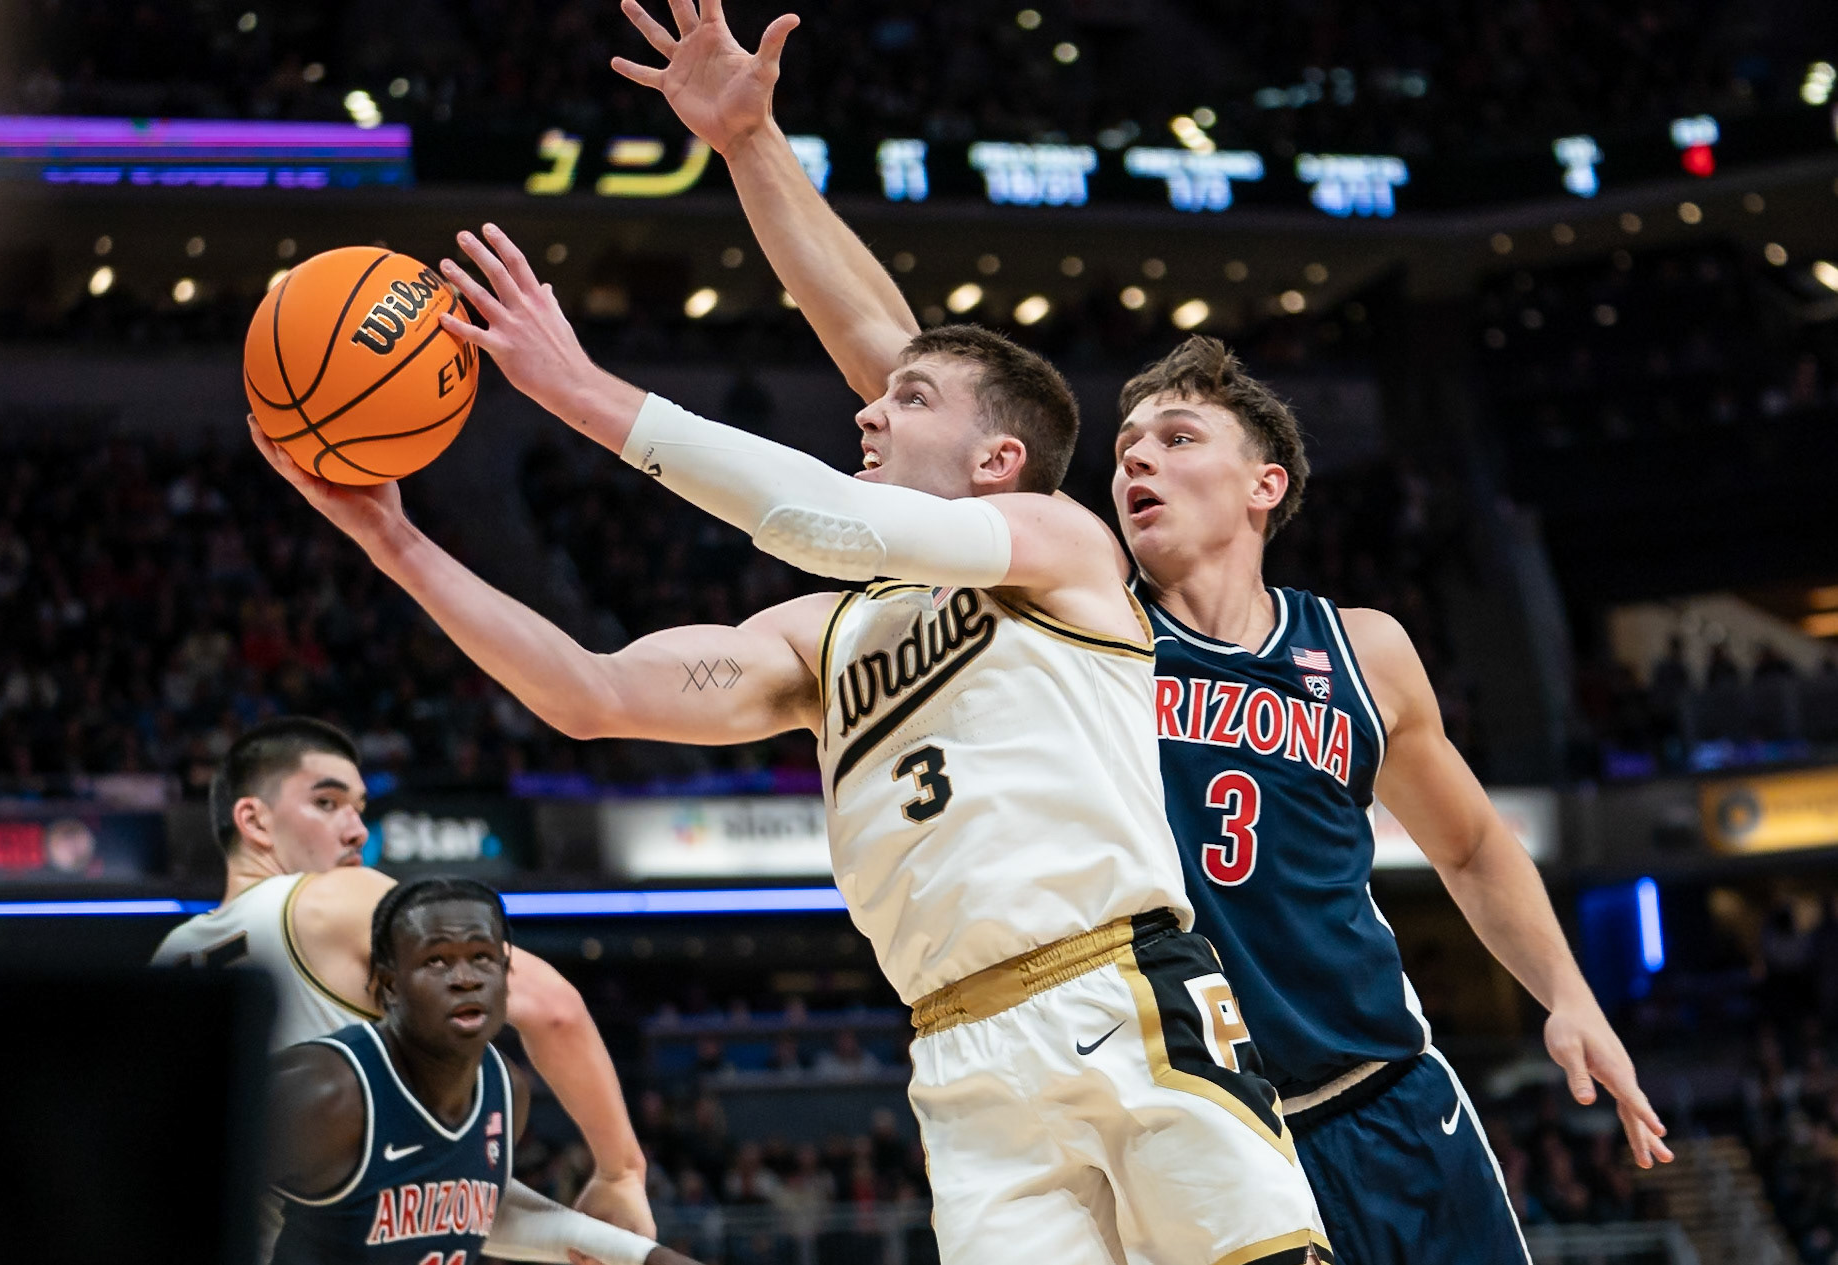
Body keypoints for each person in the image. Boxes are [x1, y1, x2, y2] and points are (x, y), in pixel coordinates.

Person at [605, 4, 1672, 1262]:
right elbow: (891, 356)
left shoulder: (1361, 649)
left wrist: (1569, 994)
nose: (1135, 462)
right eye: (1124, 446)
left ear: (1267, 482)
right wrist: (752, 146)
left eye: (1176, 438)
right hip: (1200, 1109)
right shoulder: (1073, 611)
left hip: (1388, 1095)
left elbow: (1475, 844)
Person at [252, 235, 1333, 1262]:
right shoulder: (821, 638)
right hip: (958, 1049)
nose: (869, 411)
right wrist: (391, 538)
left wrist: (577, 387)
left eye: (911, 399)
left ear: (999, 458)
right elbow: (589, 692)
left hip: (1118, 989)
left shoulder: (1059, 544)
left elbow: (820, 519)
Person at [152, 716, 655, 1238]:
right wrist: (620, 1171)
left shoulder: (172, 955)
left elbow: (399, 1198)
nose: (357, 830)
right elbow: (553, 1010)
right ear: (254, 821)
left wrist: (573, 1235)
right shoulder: (336, 898)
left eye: (358, 807)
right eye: (327, 803)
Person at [269, 876, 703, 1265]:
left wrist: (643, 1256)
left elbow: (474, 1214)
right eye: (436, 960)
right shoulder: (325, 1091)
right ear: (389, 984)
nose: (465, 979)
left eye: (481, 957)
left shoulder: (505, 1090)